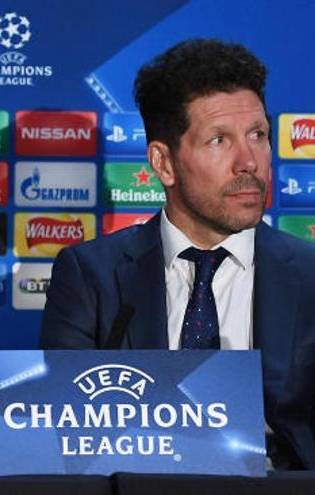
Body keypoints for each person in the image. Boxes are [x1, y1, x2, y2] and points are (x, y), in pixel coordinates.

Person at [39, 38, 315, 469]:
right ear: (163, 163)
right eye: (219, 140)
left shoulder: (310, 277)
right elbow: (67, 437)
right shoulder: (91, 276)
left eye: (258, 135)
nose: (249, 162)